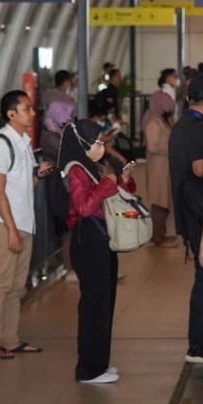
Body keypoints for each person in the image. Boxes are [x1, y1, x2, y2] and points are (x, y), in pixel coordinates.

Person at [0, 90, 54, 360]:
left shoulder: (22, 142)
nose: (32, 113)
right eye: (26, 109)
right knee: (0, 285)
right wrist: (11, 230)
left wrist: (37, 175)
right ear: (11, 114)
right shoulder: (1, 145)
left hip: (23, 224)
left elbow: (21, 185)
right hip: (4, 225)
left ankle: (10, 339)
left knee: (16, 288)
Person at [62, 123, 137, 383]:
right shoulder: (76, 170)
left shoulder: (92, 167)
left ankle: (100, 363)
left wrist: (123, 180)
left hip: (102, 238)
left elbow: (112, 195)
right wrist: (108, 182)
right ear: (83, 143)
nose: (101, 147)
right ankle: (88, 368)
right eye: (97, 142)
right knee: (94, 305)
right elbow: (84, 207)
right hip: (88, 240)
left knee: (105, 302)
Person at [169, 73, 203, 364]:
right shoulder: (199, 128)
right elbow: (200, 168)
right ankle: (198, 345)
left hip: (188, 209)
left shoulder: (182, 124)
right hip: (200, 212)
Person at [142, 85, 177, 246]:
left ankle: (161, 234)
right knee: (159, 202)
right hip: (158, 168)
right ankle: (158, 237)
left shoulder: (159, 120)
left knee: (163, 201)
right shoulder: (153, 122)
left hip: (163, 167)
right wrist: (170, 147)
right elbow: (153, 146)